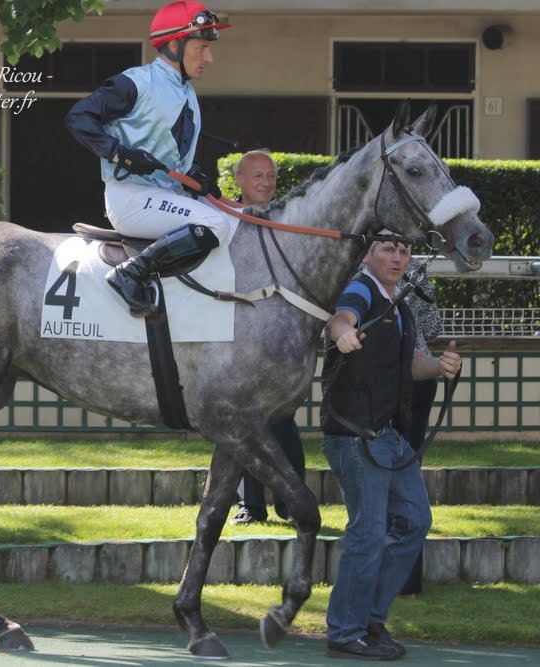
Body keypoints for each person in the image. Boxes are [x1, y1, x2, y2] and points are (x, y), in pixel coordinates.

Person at [320, 232, 462, 661]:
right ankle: (346, 631)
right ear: (369, 254)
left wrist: (439, 366)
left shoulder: (399, 303)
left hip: (388, 435)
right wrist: (343, 333)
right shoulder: (362, 288)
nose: (397, 257)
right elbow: (340, 318)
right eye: (388, 249)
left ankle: (369, 620)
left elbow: (411, 364)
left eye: (404, 251)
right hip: (355, 434)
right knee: (368, 532)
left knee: (415, 520)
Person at [65, 1, 233, 317]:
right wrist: (120, 154)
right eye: (201, 48)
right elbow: (79, 117)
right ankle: (131, 272)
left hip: (165, 196)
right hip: (132, 199)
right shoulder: (135, 82)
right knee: (215, 224)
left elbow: (172, 153)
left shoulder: (186, 91)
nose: (208, 58)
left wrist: (194, 175)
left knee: (234, 221)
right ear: (174, 45)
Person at [227, 151, 306, 526]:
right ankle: (251, 505)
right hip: (235, 337)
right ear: (239, 180)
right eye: (257, 175)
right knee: (243, 420)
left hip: (279, 339)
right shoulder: (223, 219)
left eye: (271, 176)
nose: (266, 182)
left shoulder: (288, 222)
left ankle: (292, 502)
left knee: (281, 420)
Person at [398, 257, 442, 595]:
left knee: (385, 476)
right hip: (422, 375)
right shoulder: (415, 269)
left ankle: (398, 576)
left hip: (391, 379)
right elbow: (432, 327)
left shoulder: (360, 268)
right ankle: (409, 578)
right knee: (409, 470)